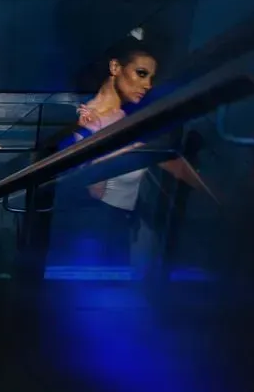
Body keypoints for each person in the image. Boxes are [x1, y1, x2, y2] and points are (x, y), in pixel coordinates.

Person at [47, 29, 215, 268]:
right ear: (115, 67)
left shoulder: (130, 118)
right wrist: (96, 138)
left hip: (119, 227)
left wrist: (217, 196)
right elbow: (90, 189)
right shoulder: (79, 119)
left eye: (151, 78)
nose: (147, 85)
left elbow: (163, 160)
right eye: (141, 73)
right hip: (90, 228)